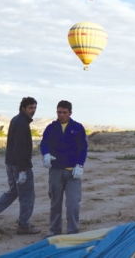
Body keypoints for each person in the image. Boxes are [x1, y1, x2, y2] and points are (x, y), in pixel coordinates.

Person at [0, 97, 41, 235]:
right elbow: (19, 148)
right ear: (23, 108)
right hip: (19, 165)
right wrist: (23, 170)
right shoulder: (21, 123)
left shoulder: (17, 120)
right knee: (28, 196)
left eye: (35, 108)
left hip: (11, 163)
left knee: (14, 191)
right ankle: (24, 226)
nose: (33, 111)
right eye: (31, 107)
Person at [40, 100, 88, 237]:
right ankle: (55, 231)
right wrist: (46, 154)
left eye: (64, 112)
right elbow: (44, 144)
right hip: (55, 171)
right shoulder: (51, 128)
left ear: (70, 113)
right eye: (59, 112)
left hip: (73, 172)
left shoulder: (77, 127)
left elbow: (83, 148)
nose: (61, 115)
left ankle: (73, 232)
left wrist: (80, 165)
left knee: (73, 203)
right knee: (55, 203)